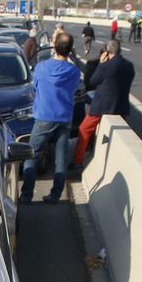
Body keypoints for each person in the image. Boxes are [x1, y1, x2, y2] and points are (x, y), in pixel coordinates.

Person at [21, 31, 83, 205]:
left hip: (43, 116)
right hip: (64, 117)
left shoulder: (42, 67)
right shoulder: (74, 71)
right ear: (70, 49)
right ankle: (55, 195)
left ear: (54, 46)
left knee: (32, 155)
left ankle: (26, 195)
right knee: (60, 157)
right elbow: (76, 88)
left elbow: (35, 87)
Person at [73, 38, 136, 168]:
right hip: (121, 105)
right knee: (119, 136)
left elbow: (93, 81)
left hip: (101, 105)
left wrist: (101, 63)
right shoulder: (129, 65)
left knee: (84, 130)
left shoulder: (106, 66)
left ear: (107, 51)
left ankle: (77, 161)